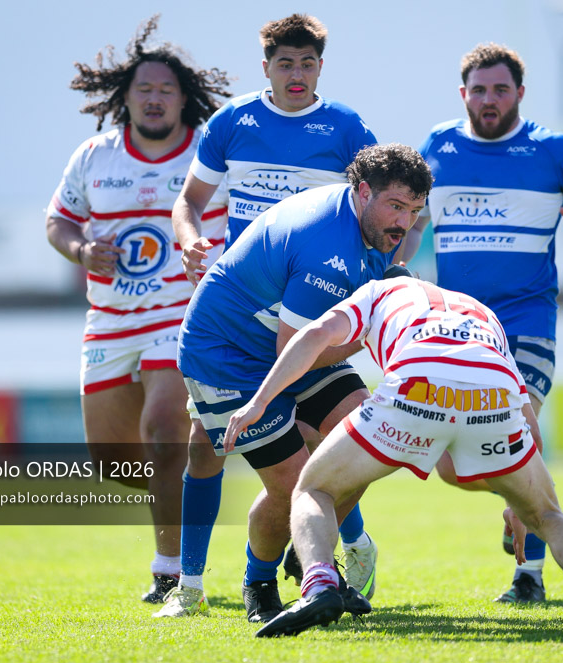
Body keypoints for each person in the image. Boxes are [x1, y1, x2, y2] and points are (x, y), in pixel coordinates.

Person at [221, 276, 563, 638]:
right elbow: (528, 417)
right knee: (550, 515)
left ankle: (319, 585)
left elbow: (315, 336)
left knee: (313, 487)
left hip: (418, 382)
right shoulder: (477, 308)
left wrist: (260, 400)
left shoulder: (375, 291)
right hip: (492, 388)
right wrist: (518, 506)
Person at [396, 43, 563, 605]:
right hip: (455, 329)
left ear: (519, 94)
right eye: (478, 90)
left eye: (500, 89)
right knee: (454, 465)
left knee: (518, 432)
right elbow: (408, 220)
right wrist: (395, 265)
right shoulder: (437, 147)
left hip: (526, 325)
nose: (489, 99)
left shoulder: (553, 151)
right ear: (463, 95)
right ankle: (518, 501)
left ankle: (529, 575)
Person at [160, 144, 432, 623]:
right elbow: (299, 349)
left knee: (370, 441)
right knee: (293, 485)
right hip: (228, 356)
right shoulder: (327, 247)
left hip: (289, 344)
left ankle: (310, 548)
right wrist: (372, 332)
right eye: (395, 206)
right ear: (362, 191)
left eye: (413, 211)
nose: (403, 223)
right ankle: (259, 583)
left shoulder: (366, 225)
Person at [164, 13, 380, 617]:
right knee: (205, 449)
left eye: (308, 64)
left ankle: (336, 553)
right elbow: (190, 203)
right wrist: (188, 240)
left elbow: (389, 203)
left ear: (320, 67)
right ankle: (186, 584)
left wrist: (380, 274)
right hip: (244, 314)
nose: (296, 74)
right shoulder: (233, 122)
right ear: (266, 67)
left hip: (311, 307)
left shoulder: (345, 128)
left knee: (349, 438)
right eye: (285, 63)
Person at [45, 16, 232, 604]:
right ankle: (187, 486)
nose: (155, 99)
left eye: (166, 90)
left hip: (181, 311)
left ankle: (170, 566)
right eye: (144, 90)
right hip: (109, 320)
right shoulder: (95, 156)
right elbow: (58, 221)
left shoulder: (210, 151)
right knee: (113, 459)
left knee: (164, 426)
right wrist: (81, 250)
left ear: (185, 98)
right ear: (124, 98)